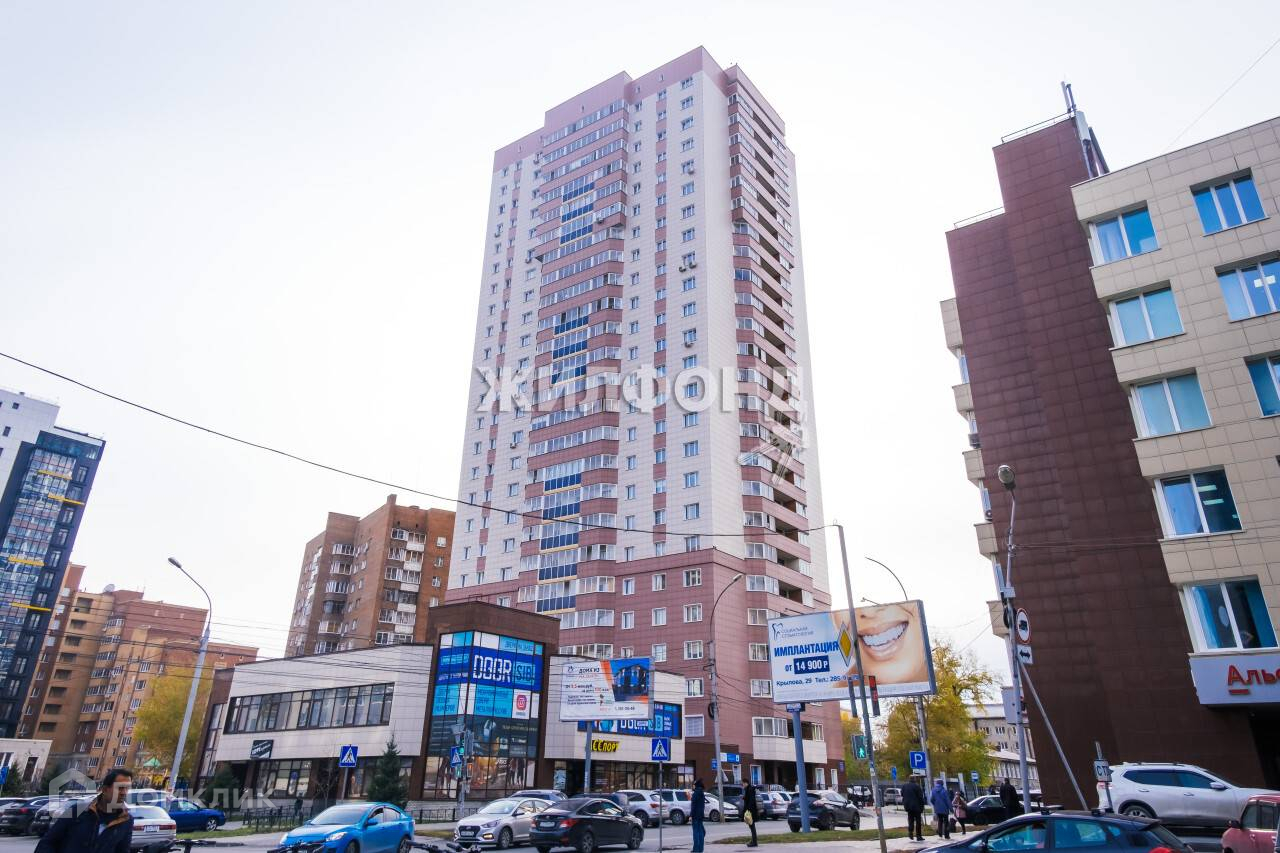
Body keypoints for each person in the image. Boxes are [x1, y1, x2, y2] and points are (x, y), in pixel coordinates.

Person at [36, 768, 135, 853]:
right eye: (120, 788)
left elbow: (123, 850)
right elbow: (48, 842)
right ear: (105, 790)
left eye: (127, 788)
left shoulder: (126, 820)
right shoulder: (78, 811)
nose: (124, 793)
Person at [901, 775, 926, 842]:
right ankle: (918, 836)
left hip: (908, 806)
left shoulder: (904, 786)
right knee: (918, 821)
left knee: (910, 820)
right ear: (914, 779)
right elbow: (920, 797)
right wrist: (922, 806)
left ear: (909, 779)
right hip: (916, 806)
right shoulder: (917, 786)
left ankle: (910, 833)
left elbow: (902, 794)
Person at [691, 780, 707, 853]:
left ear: (696, 785)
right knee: (700, 832)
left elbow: (693, 806)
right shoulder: (702, 793)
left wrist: (691, 815)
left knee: (696, 832)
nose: (693, 786)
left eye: (693, 785)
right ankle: (700, 849)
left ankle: (696, 849)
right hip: (701, 815)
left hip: (695, 815)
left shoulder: (695, 793)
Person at [743, 781, 760, 848]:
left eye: (743, 783)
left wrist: (748, 809)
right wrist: (744, 798)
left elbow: (751, 800)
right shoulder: (749, 789)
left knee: (752, 826)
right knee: (751, 826)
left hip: (751, 811)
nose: (743, 785)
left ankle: (754, 842)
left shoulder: (750, 789)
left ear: (746, 783)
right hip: (751, 810)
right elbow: (749, 799)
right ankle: (753, 841)